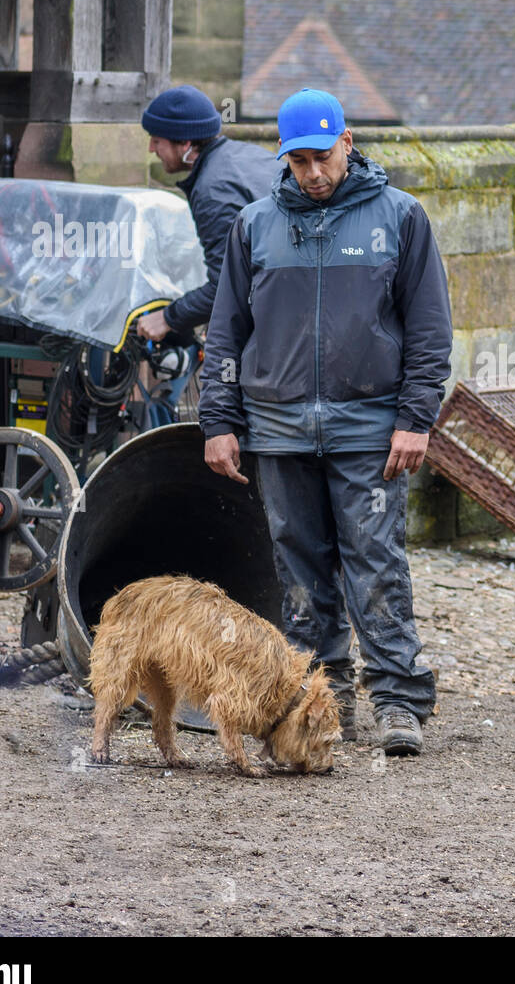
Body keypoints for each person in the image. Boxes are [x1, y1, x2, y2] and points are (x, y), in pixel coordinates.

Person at [197, 88, 452, 755]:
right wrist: (217, 421)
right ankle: (320, 692)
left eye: (323, 157)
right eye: (299, 161)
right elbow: (225, 333)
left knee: (376, 561)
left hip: (370, 428)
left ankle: (399, 697)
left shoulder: (400, 219)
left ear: (348, 142)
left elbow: (429, 332)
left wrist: (415, 419)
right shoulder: (253, 225)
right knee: (298, 567)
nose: (313, 173)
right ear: (284, 158)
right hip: (277, 429)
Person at [137, 84, 279, 342]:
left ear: (185, 144)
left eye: (157, 140)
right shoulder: (247, 154)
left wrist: (168, 318)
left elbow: (228, 287)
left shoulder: (213, 191)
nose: (151, 149)